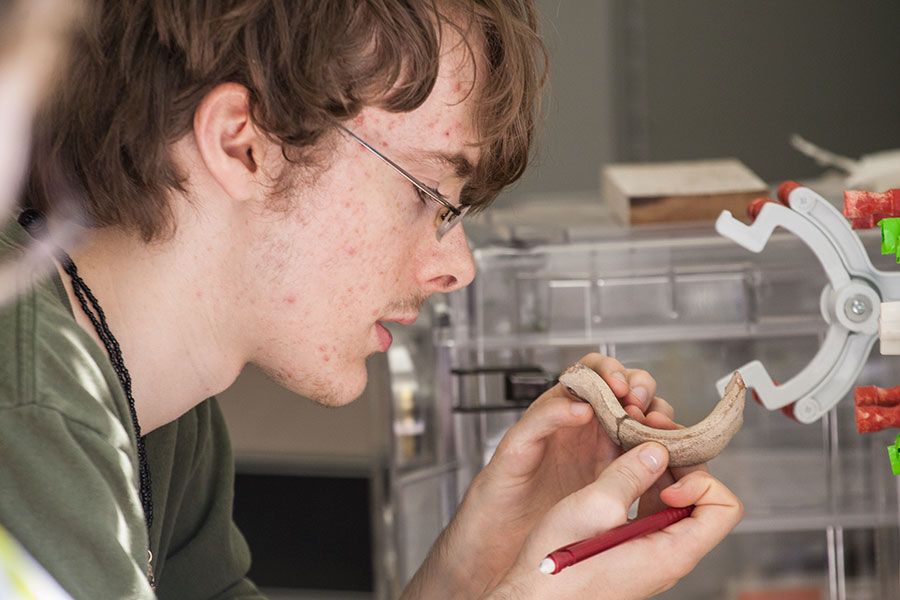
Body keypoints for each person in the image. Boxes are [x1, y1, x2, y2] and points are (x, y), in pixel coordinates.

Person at [0, 1, 743, 598]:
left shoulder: (165, 418)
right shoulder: (27, 416)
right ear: (240, 144)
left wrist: (473, 569)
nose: (458, 266)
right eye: (427, 195)